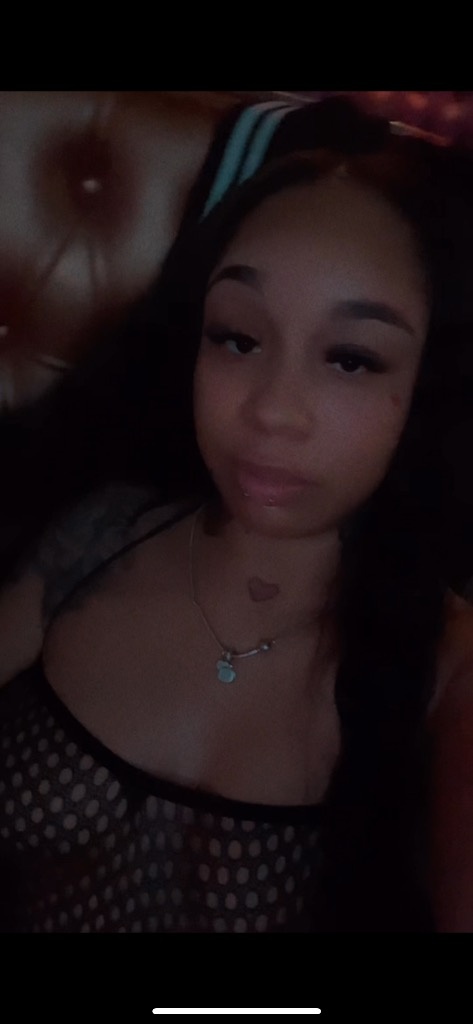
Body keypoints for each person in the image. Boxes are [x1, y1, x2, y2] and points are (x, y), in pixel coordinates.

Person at [0, 97, 472, 933]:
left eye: (351, 359)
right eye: (238, 338)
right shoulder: (88, 532)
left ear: (428, 387)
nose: (271, 411)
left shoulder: (449, 669)